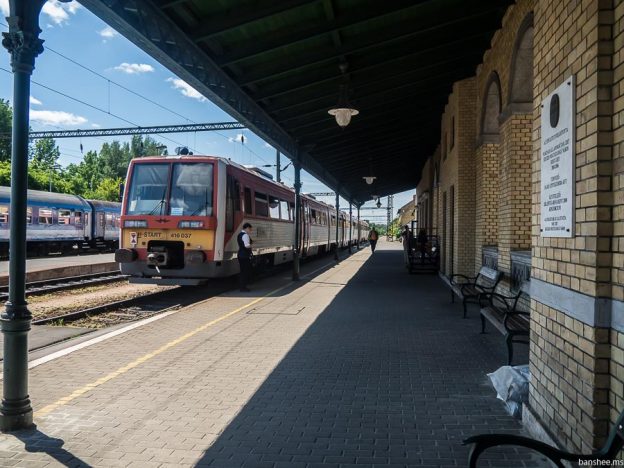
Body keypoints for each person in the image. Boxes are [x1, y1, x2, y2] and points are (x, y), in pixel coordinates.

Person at [237, 222, 253, 292]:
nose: (250, 231)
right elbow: (247, 245)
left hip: (240, 254)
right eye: (250, 229)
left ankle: (242, 286)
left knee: (242, 271)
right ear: (247, 228)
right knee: (245, 271)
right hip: (244, 255)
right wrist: (251, 246)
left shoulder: (239, 234)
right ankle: (243, 287)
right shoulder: (245, 235)